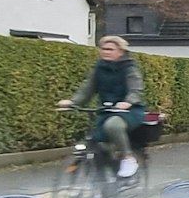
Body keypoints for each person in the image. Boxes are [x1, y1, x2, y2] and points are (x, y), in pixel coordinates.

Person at [58, 35, 146, 180]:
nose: (105, 52)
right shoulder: (99, 68)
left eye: (110, 49)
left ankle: (128, 158)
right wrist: (73, 102)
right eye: (103, 49)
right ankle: (104, 180)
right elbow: (87, 88)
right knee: (94, 142)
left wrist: (127, 102)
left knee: (113, 126)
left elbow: (136, 90)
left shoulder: (129, 68)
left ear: (120, 52)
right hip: (106, 110)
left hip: (129, 111)